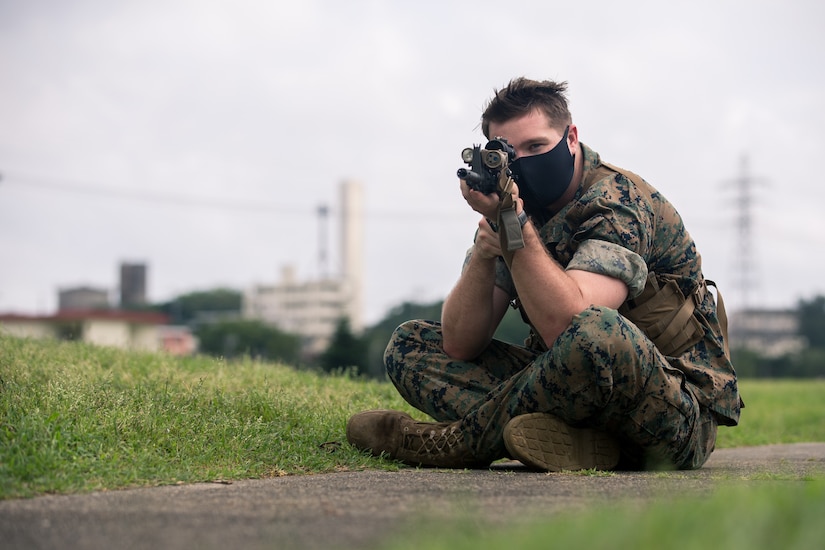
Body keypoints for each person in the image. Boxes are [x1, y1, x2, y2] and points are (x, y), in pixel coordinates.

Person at [346, 77, 741, 471]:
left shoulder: (617, 201)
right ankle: (578, 442)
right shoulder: (512, 204)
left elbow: (571, 327)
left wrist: (516, 226)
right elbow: (460, 345)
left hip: (675, 415)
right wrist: (487, 250)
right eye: (509, 153)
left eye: (537, 146)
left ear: (571, 138)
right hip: (574, 393)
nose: (525, 161)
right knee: (409, 345)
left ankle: (454, 442)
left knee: (598, 331)